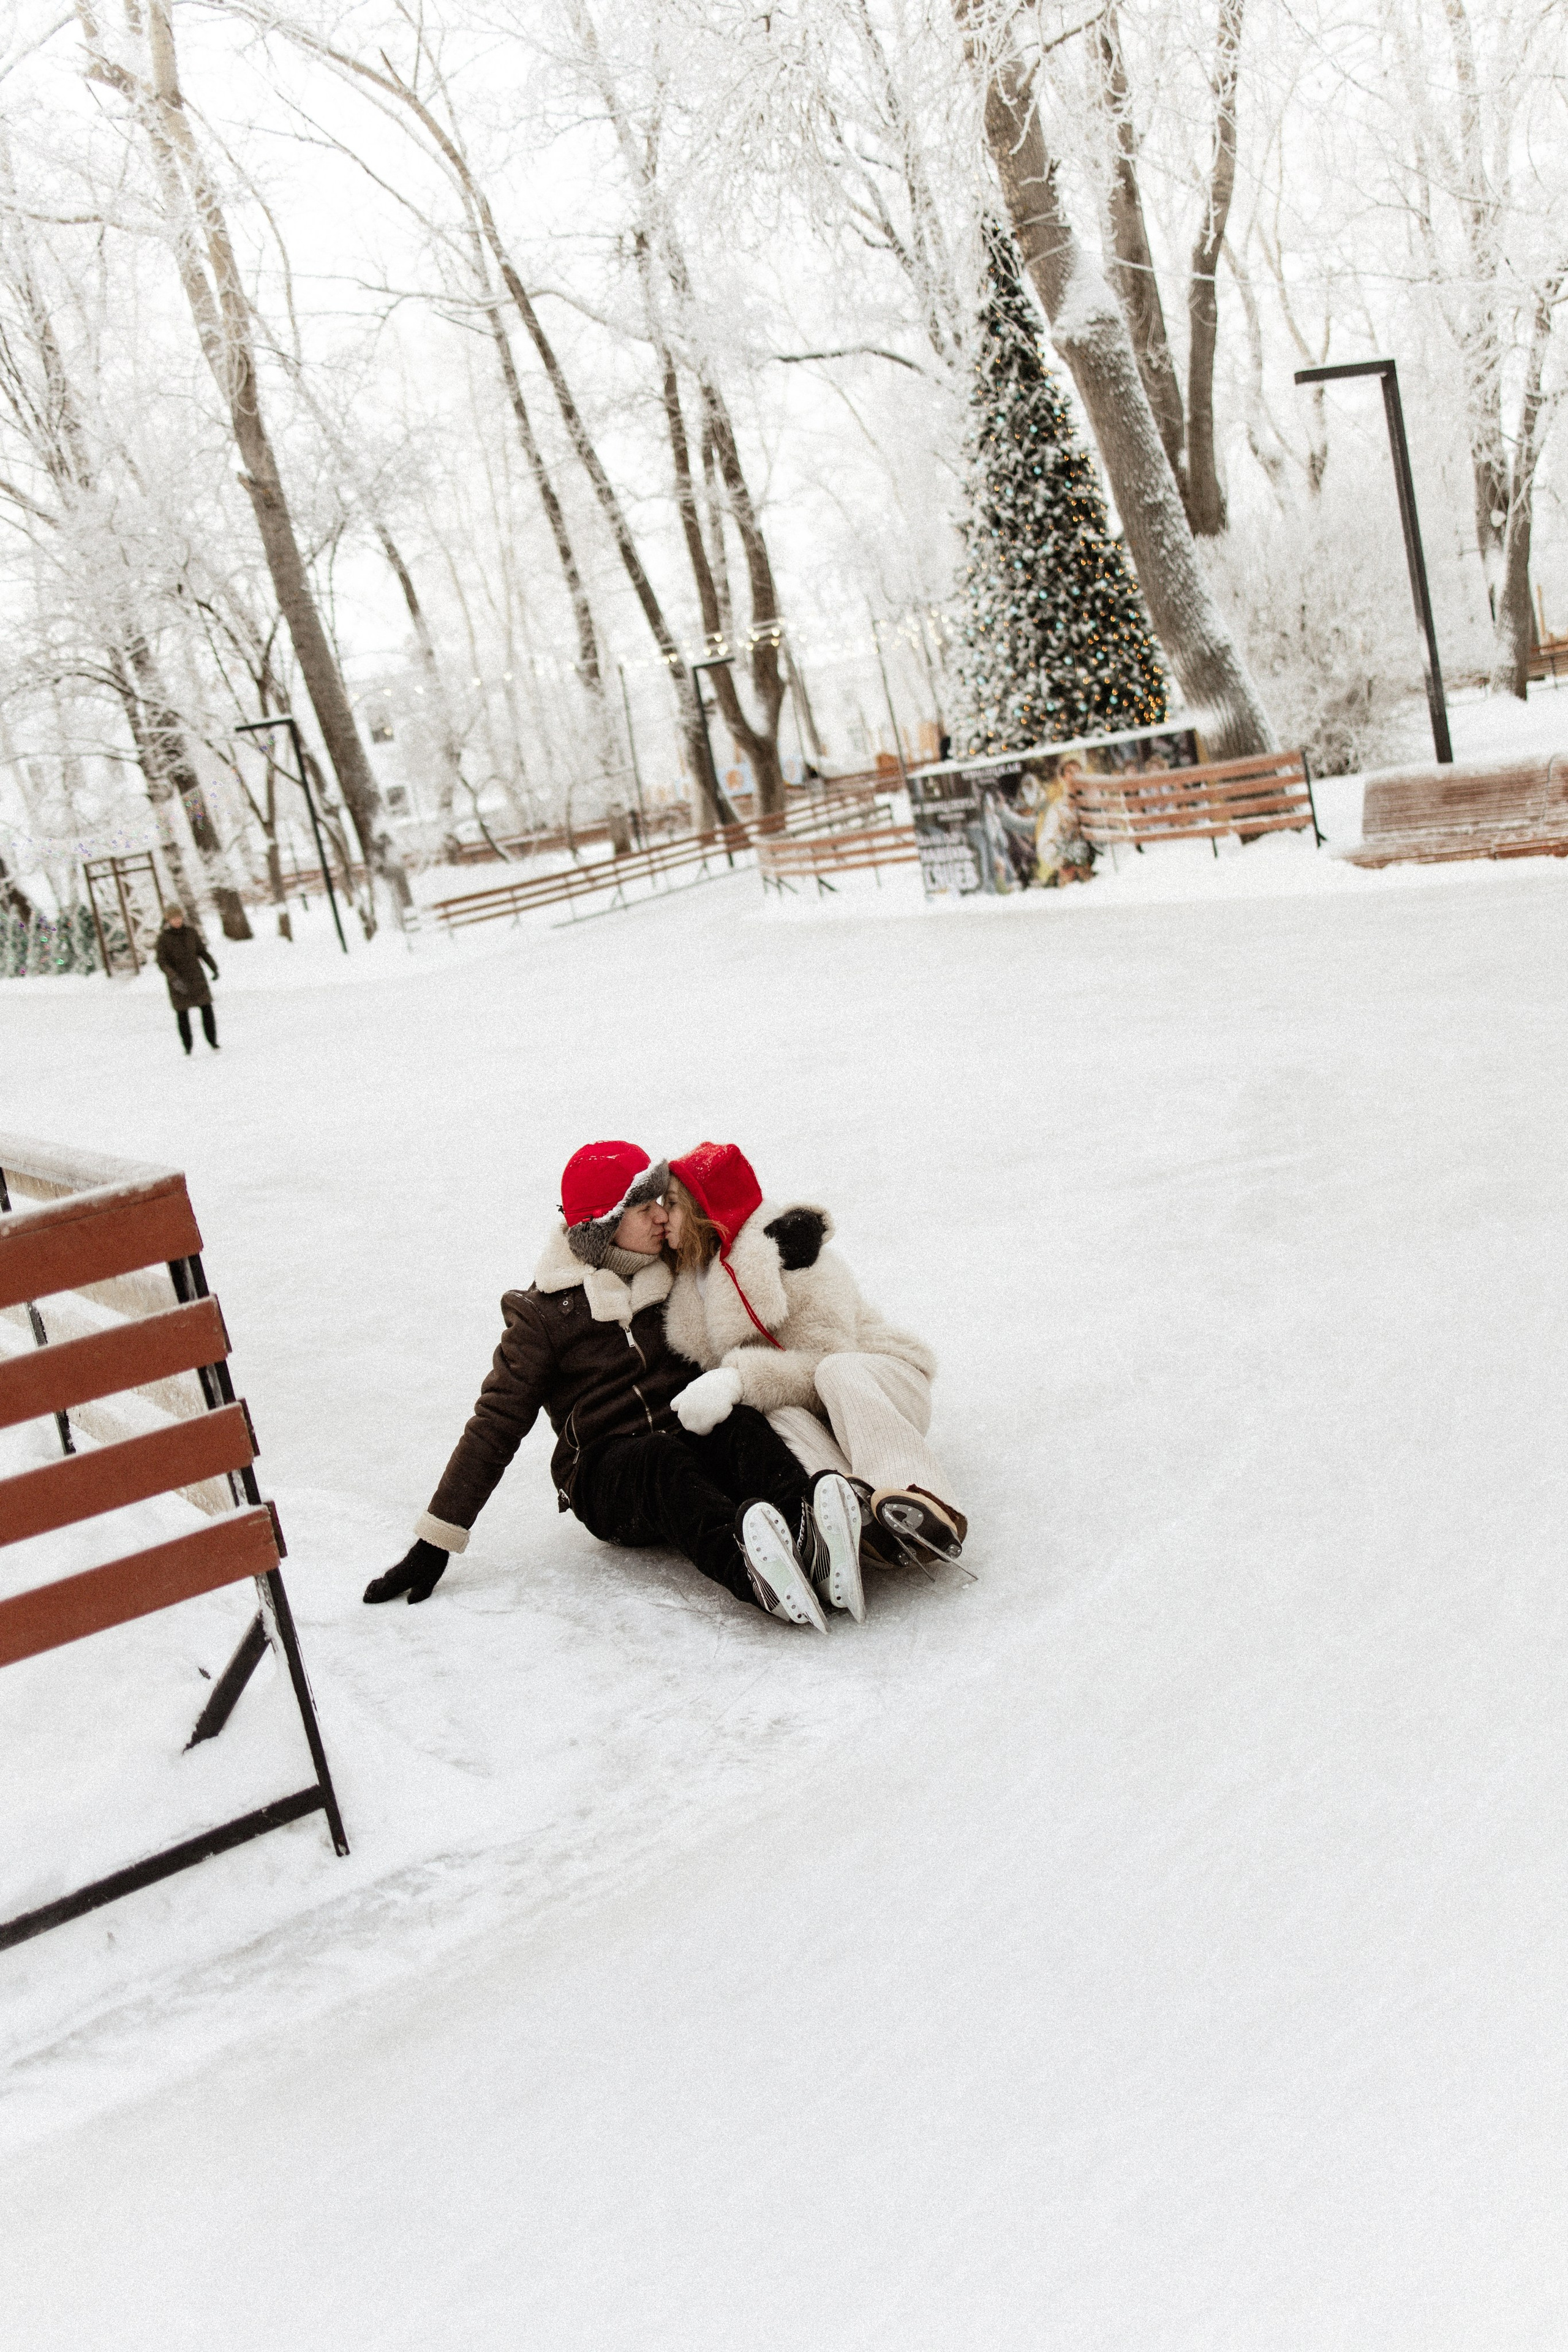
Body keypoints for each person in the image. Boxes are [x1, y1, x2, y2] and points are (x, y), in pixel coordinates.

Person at [363, 1140, 862, 1630]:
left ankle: (814, 1534)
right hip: (608, 1474)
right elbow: (496, 1423)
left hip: (687, 1436)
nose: (662, 1216)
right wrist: (436, 1541)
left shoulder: (673, 1266)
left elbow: (727, 1219)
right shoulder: (541, 1315)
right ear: (601, 1226)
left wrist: (791, 1236)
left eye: (660, 1202)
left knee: (737, 1422)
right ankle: (754, 1574)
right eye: (644, 1208)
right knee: (661, 1462)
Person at [662, 1142, 967, 1613]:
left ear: (706, 1213)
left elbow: (829, 1353)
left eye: (674, 1204)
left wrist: (738, 1378)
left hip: (878, 1385)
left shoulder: (793, 1256)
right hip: (821, 1417)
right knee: (775, 1414)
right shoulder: (689, 1281)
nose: (662, 1216)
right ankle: (854, 1513)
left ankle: (921, 1498)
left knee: (832, 1371)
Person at [154, 903, 220, 1052]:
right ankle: (188, 1046)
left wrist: (214, 968)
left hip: (197, 977)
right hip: (178, 981)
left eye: (179, 917)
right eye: (173, 919)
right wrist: (174, 978)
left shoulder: (191, 933)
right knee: (183, 1014)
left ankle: (213, 1041)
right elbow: (162, 962)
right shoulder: (163, 939)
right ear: (168, 921)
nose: (177, 921)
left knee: (207, 1009)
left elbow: (202, 952)